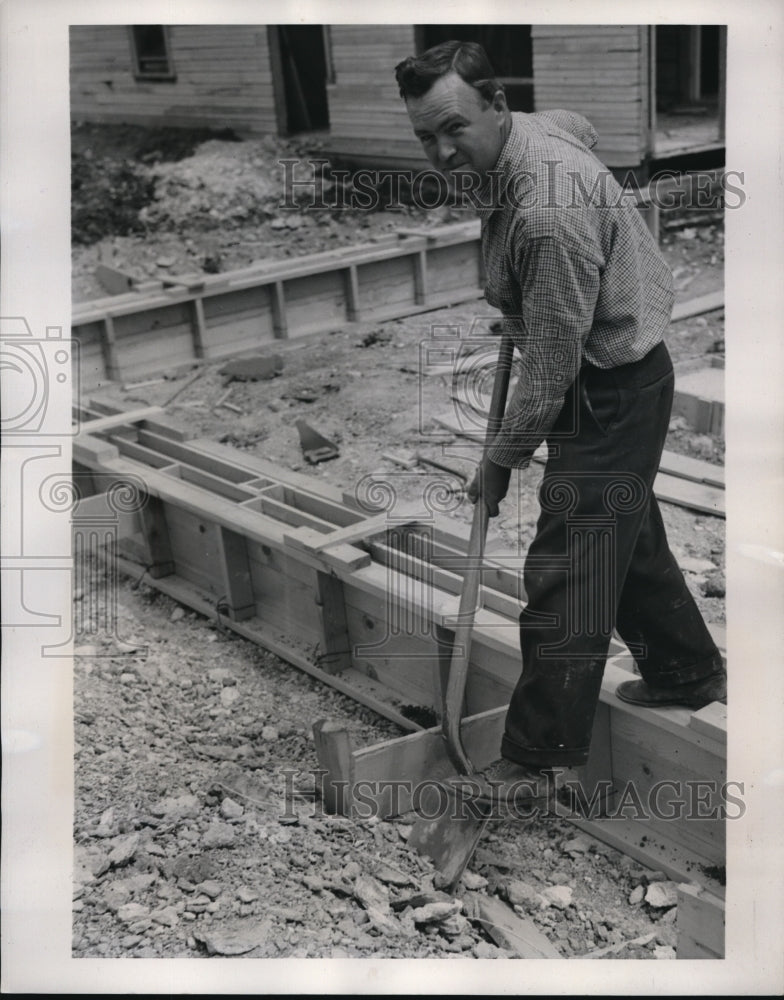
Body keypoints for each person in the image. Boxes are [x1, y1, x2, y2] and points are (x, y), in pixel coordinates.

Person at [394, 40, 726, 804]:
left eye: (454, 130)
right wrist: (528, 303)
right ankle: (686, 670)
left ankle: (536, 755)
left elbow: (550, 371)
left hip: (611, 382)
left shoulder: (547, 213)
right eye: (424, 136)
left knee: (567, 565)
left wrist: (499, 460)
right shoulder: (531, 135)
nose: (443, 151)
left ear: (498, 107)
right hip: (608, 367)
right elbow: (581, 125)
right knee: (622, 528)